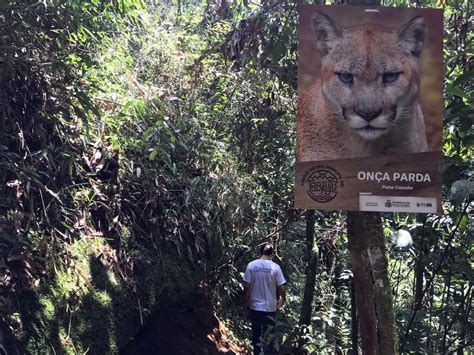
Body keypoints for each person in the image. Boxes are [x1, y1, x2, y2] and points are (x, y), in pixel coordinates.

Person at [244, 243, 286, 355]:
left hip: (255, 306)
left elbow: (247, 287)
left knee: (256, 334)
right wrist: (282, 299)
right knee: (269, 337)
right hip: (270, 308)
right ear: (272, 253)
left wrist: (246, 301)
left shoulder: (251, 265)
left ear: (260, 252)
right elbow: (282, 287)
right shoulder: (276, 267)